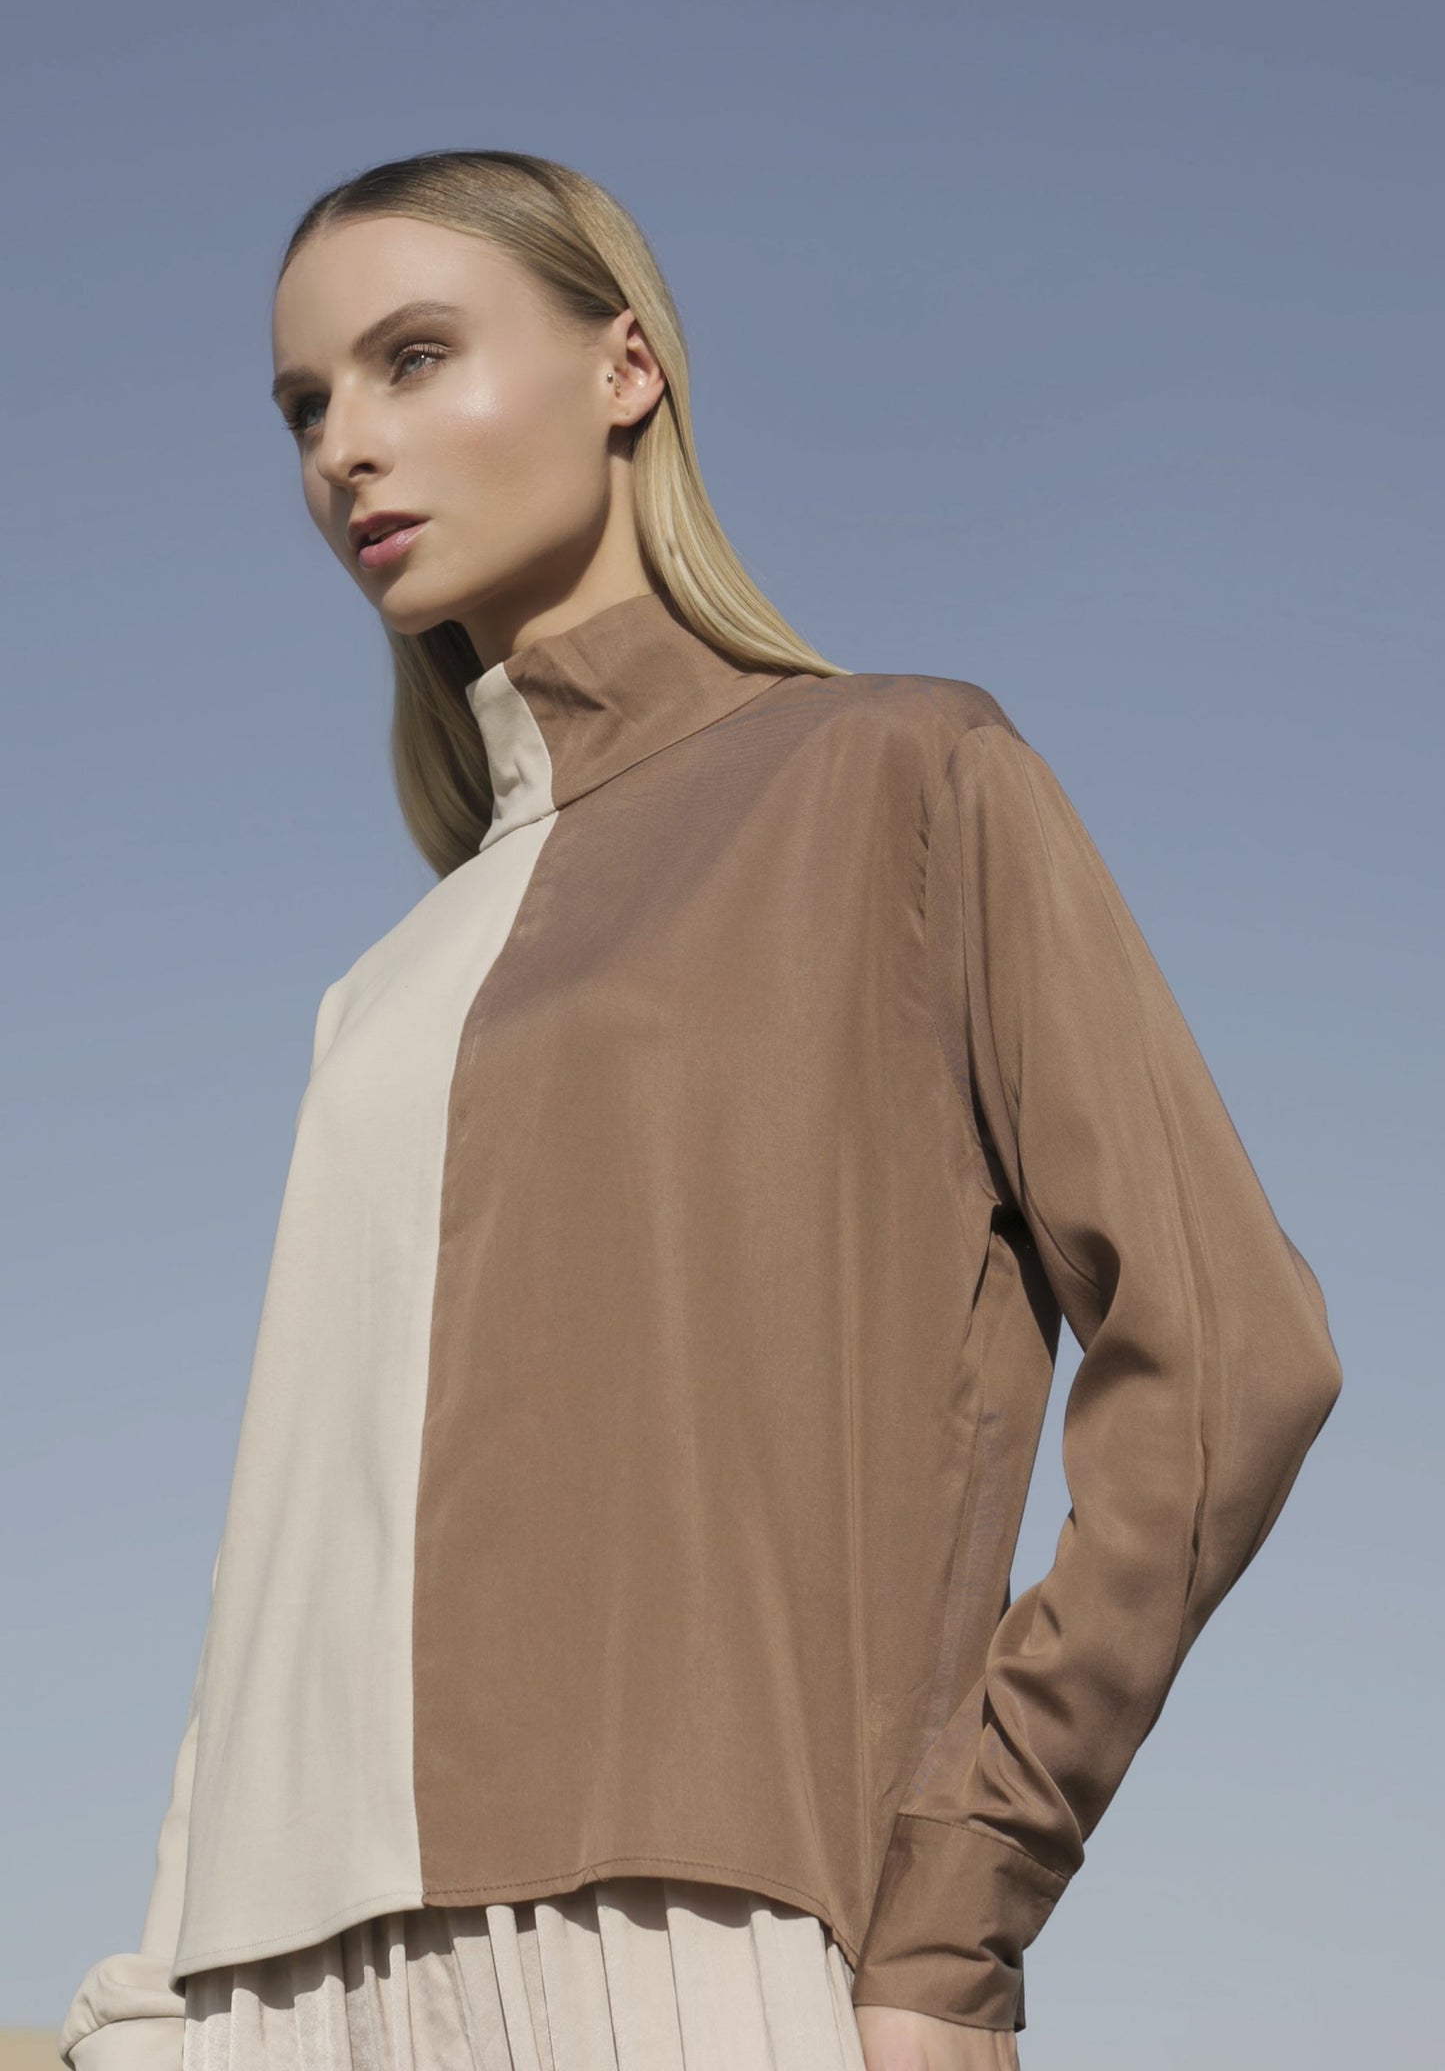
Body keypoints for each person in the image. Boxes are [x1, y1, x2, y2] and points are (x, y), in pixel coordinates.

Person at [58, 150, 1343, 2071]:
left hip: (675, 1942)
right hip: (268, 1992)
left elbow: (1232, 1354)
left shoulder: (896, 775)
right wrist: (165, 1990)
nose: (345, 449)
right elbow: (287, 1544)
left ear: (625, 369)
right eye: (305, 406)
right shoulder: (380, 989)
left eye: (415, 358)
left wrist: (959, 1906)